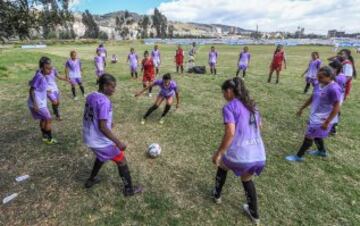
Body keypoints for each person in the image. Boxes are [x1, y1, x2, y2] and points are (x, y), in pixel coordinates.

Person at [212, 77, 266, 225]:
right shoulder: (253, 106)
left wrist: (219, 153)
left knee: (223, 165)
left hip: (241, 155)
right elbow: (260, 126)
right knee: (247, 179)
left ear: (230, 91)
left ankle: (216, 195)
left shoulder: (230, 107)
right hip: (259, 154)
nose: (223, 95)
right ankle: (254, 214)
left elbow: (230, 132)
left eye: (223, 92)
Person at [83, 74, 143, 196]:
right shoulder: (104, 101)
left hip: (89, 137)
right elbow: (102, 127)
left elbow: (96, 115)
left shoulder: (91, 96)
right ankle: (129, 190)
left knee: (101, 157)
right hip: (99, 140)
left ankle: (91, 180)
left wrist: (109, 122)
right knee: (121, 160)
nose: (114, 90)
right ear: (105, 86)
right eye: (112, 87)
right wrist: (118, 142)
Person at [286, 66, 341, 161]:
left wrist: (327, 122)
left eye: (321, 77)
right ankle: (322, 151)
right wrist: (302, 108)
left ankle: (298, 156)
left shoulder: (333, 89)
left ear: (329, 77)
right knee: (316, 135)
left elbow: (337, 107)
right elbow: (313, 97)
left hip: (323, 118)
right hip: (315, 116)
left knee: (309, 136)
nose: (318, 79)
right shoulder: (318, 84)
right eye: (318, 76)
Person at [28, 57, 58, 144]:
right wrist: (35, 104)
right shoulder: (39, 76)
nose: (50, 70)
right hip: (38, 103)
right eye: (47, 68)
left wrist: (47, 90)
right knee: (48, 119)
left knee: (44, 119)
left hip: (41, 102)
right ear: (41, 68)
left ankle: (44, 137)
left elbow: (32, 83)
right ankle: (49, 139)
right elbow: (31, 90)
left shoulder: (41, 74)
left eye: (50, 68)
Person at [329, 61, 346, 135]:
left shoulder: (339, 78)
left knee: (334, 111)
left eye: (331, 68)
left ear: (336, 68)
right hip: (338, 95)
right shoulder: (340, 75)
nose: (330, 69)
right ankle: (332, 127)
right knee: (334, 110)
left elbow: (336, 88)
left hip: (337, 96)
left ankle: (333, 128)